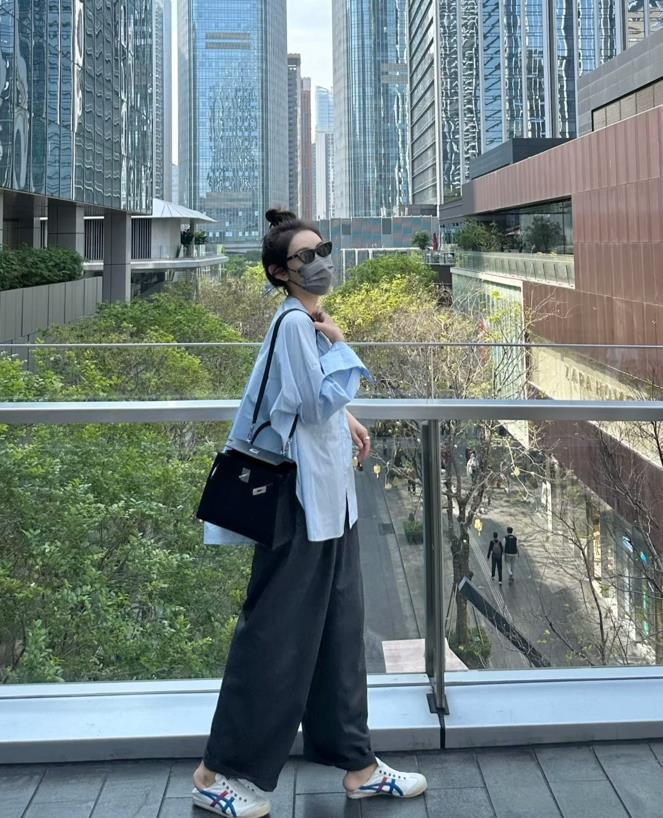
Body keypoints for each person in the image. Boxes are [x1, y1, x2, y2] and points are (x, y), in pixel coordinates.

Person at [192, 209, 427, 817]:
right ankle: (217, 773)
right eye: (304, 256)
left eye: (322, 250)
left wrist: (346, 414)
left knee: (338, 635)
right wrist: (343, 348)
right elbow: (310, 402)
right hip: (298, 506)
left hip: (332, 505)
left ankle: (359, 765)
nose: (320, 262)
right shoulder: (296, 323)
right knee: (274, 637)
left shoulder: (306, 322)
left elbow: (307, 403)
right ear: (280, 273)